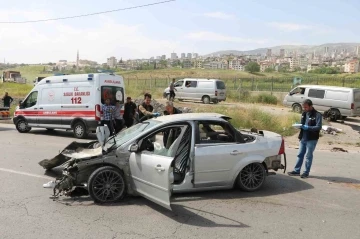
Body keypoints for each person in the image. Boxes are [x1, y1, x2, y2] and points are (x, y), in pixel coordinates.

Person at [288, 99, 322, 178]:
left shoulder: (317, 115)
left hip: (312, 139)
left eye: (306, 107)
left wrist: (308, 127)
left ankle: (306, 172)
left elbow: (318, 127)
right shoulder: (304, 113)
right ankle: (297, 171)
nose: (305, 109)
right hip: (303, 137)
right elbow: (302, 124)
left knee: (308, 156)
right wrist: (299, 126)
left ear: (311, 106)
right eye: (304, 107)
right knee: (300, 155)